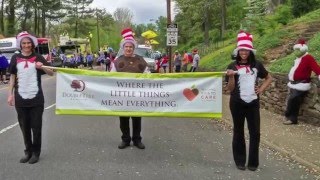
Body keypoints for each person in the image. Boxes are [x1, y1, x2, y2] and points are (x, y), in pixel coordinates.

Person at [225, 31, 272, 171]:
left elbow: (269, 78)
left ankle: (253, 162)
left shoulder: (257, 65)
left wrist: (261, 89)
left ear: (250, 51)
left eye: (246, 50)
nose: (243, 53)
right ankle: (240, 161)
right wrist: (232, 77)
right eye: (241, 50)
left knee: (255, 132)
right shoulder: (231, 66)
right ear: (238, 51)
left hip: (253, 103)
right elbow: (229, 88)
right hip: (237, 103)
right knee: (238, 131)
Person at [7, 31, 54, 164]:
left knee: (36, 127)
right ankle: (27, 151)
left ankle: (36, 153)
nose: (26, 45)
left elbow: (51, 73)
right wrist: (10, 94)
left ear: (32, 44)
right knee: (24, 127)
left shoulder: (38, 57)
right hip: (20, 99)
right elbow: (12, 77)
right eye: (24, 43)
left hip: (36, 99)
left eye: (28, 43)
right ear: (20, 45)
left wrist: (43, 67)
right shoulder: (15, 58)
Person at [110, 28, 149, 150]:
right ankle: (125, 139)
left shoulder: (141, 61)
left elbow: (147, 76)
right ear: (123, 47)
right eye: (126, 47)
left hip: (137, 96)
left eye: (130, 47)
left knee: (137, 118)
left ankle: (137, 139)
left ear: (133, 48)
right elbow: (111, 77)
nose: (128, 49)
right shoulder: (117, 61)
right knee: (124, 119)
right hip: (122, 96)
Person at [283, 39, 320, 125]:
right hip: (293, 84)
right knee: (293, 100)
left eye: (298, 50)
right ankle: (290, 117)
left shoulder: (308, 58)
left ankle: (290, 117)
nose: (296, 51)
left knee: (293, 99)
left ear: (303, 49)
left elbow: (316, 68)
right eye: (295, 50)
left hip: (302, 84)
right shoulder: (298, 58)